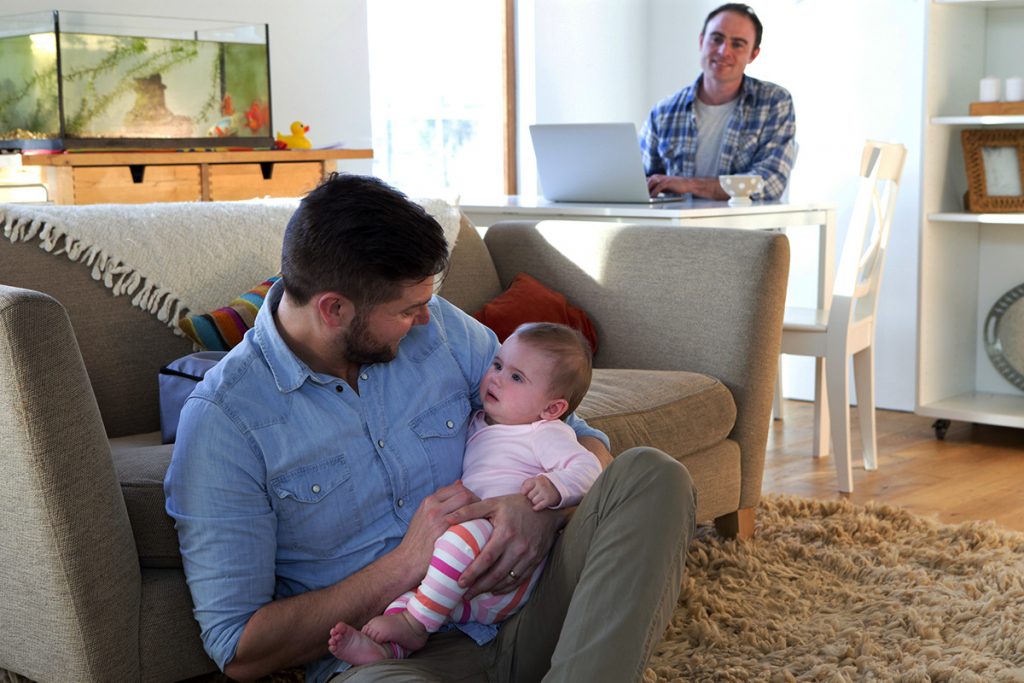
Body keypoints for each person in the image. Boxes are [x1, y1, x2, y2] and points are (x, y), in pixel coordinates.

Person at [164, 172, 697, 683]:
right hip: (390, 659)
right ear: (333, 309)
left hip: (531, 609)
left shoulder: (439, 327)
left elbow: (585, 447)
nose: (425, 318)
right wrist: (406, 564)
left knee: (651, 475)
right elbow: (238, 649)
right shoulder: (226, 422)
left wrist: (542, 515)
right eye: (408, 309)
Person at [328, 322, 603, 666]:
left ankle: (415, 625)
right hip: (469, 588)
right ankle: (387, 651)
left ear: (552, 409)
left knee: (453, 544)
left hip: (508, 564)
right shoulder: (480, 422)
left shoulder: (544, 432)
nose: (497, 378)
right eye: (499, 364)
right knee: (408, 597)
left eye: (517, 378)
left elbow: (590, 470)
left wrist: (553, 488)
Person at [641, 3, 796, 201]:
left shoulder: (774, 103)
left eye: (738, 44)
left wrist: (688, 184)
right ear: (701, 41)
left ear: (753, 55)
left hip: (744, 230)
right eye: (717, 39)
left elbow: (769, 182)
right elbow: (641, 181)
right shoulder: (663, 113)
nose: (724, 51)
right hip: (677, 230)